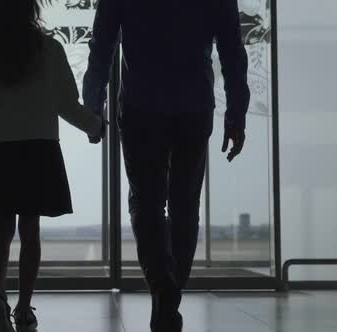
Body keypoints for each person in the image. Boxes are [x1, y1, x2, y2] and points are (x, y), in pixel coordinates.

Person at [83, 0, 250, 331]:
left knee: (145, 203)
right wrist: (236, 113)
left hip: (140, 104)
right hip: (194, 104)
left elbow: (102, 41)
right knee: (185, 205)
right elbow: (232, 47)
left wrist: (92, 103)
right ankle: (171, 288)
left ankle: (163, 286)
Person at [0, 0, 105, 331]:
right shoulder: (49, 50)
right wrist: (95, 127)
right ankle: (24, 306)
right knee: (30, 233)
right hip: (37, 151)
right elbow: (66, 104)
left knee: (0, 231)